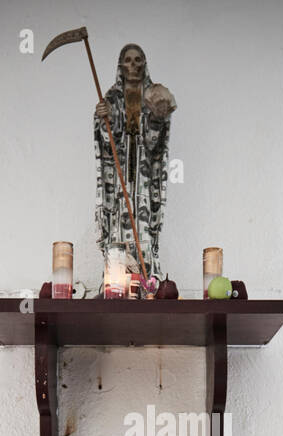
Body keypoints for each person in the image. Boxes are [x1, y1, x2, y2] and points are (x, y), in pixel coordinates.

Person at [93, 44, 174, 276]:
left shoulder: (153, 95)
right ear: (121, 65)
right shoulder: (111, 98)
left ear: (144, 63)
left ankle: (147, 276)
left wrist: (157, 120)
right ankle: (117, 277)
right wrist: (104, 119)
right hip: (118, 178)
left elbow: (154, 145)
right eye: (128, 60)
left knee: (144, 221)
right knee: (119, 219)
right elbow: (108, 146)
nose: (133, 65)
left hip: (144, 174)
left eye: (138, 60)